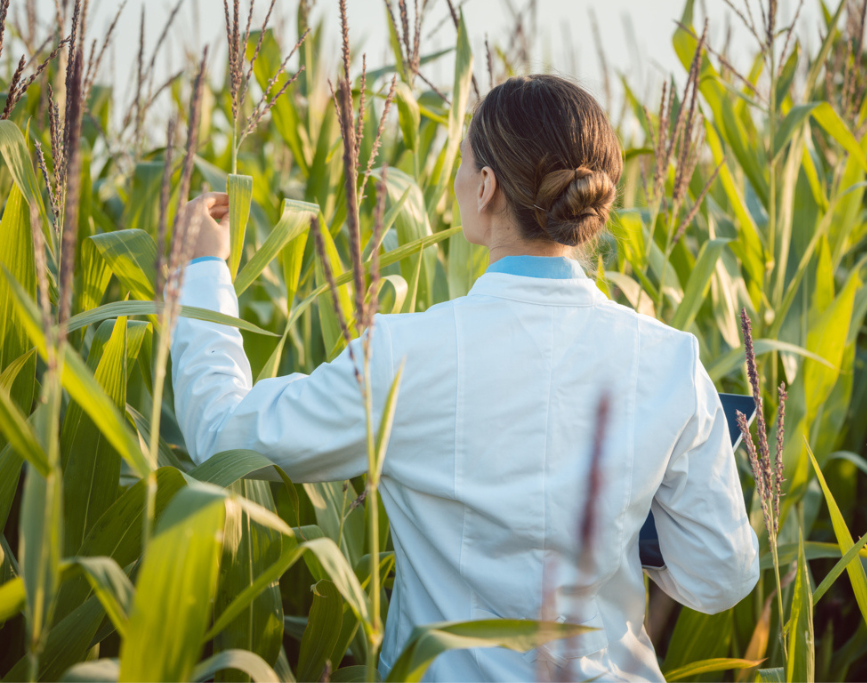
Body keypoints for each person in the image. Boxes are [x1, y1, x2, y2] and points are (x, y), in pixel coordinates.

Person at [171, 74, 759, 682]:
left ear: (485, 187)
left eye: (463, 165)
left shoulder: (404, 356)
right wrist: (620, 520)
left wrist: (204, 268)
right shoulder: (670, 361)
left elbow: (222, 438)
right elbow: (721, 576)